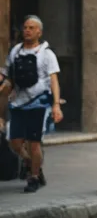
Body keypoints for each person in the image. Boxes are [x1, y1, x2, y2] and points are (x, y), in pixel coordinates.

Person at [0, 16, 63, 193]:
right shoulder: (15, 52)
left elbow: (54, 80)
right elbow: (9, 77)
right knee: (14, 142)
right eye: (25, 27)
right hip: (18, 103)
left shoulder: (46, 54)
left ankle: (34, 177)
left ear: (39, 32)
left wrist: (56, 104)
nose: (27, 30)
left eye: (31, 27)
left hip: (39, 103)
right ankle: (30, 163)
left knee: (34, 142)